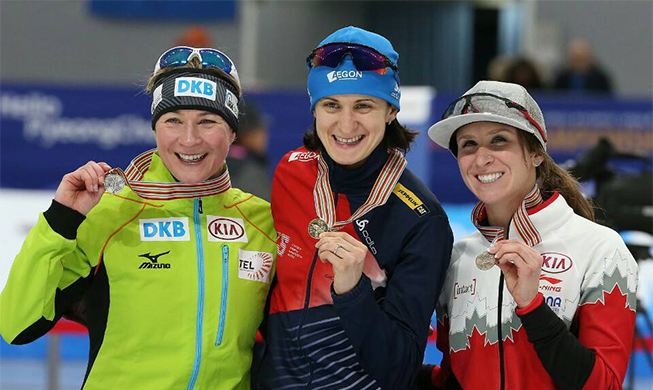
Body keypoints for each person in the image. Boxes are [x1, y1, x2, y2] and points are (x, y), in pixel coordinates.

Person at [0, 46, 277, 389]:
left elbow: (295, 346)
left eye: (208, 122)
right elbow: (16, 325)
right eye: (173, 121)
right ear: (155, 129)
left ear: (233, 132)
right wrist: (59, 221)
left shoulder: (261, 222)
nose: (189, 139)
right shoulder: (110, 214)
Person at [257, 26, 453, 390]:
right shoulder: (291, 171)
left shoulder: (421, 219)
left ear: (391, 111)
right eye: (332, 105)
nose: (346, 125)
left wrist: (353, 291)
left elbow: (398, 370)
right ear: (314, 108)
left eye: (364, 105)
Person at [420, 80, 637, 389]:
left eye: (499, 140)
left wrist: (533, 306)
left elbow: (604, 385)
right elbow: (454, 378)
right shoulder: (457, 257)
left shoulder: (601, 249)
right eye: (468, 144)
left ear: (536, 153)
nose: (481, 159)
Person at [226, 102, 272, 201]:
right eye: (259, 129)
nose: (264, 135)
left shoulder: (214, 165)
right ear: (246, 133)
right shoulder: (251, 172)